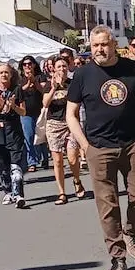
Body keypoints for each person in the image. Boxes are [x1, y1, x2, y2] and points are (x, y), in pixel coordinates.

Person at [66, 26, 135, 270]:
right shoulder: (83, 75)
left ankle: (130, 231)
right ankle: (117, 257)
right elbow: (71, 114)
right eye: (95, 46)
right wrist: (85, 146)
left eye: (104, 45)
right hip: (99, 147)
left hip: (132, 144)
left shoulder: (132, 68)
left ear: (114, 44)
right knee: (108, 206)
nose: (99, 50)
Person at [43, 56, 86, 205]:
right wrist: (54, 88)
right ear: (53, 68)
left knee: (73, 158)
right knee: (58, 160)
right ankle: (61, 192)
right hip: (54, 125)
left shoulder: (73, 84)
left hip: (70, 123)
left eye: (64, 66)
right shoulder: (49, 85)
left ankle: (77, 180)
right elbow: (45, 104)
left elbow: (78, 103)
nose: (62, 69)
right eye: (59, 66)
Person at [0, 63, 28, 208]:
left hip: (14, 130)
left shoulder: (17, 90)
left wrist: (13, 106)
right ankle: (8, 192)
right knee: (3, 165)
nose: (4, 75)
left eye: (6, 72)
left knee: (15, 164)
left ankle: (19, 195)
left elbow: (23, 112)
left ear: (11, 74)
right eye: (1, 73)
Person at [18, 55, 48, 172]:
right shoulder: (19, 79)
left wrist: (34, 82)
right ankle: (32, 161)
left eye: (29, 64)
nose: (27, 66)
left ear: (34, 65)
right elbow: (18, 92)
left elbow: (44, 90)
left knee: (41, 136)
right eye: (25, 64)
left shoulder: (41, 77)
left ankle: (45, 158)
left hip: (40, 110)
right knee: (28, 137)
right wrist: (27, 84)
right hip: (26, 113)